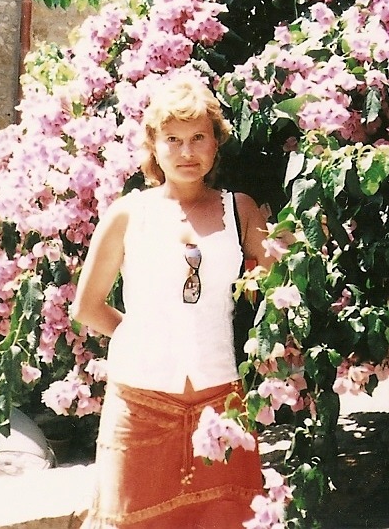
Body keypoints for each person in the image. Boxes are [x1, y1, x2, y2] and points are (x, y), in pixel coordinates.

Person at [71, 73, 272, 529]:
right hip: (140, 409)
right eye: (173, 139)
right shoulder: (128, 214)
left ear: (216, 143)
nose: (187, 152)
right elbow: (87, 306)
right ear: (154, 146)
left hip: (221, 404)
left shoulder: (240, 210)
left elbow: (279, 288)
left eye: (198, 137)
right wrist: (143, 337)